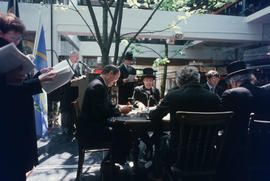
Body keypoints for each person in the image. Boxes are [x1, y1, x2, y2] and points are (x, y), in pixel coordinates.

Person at [0, 13, 56, 181]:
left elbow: (17, 84)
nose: (16, 43)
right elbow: (6, 92)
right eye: (12, 37)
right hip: (6, 133)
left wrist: (37, 76)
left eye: (18, 39)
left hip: (17, 128)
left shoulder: (11, 51)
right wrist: (36, 83)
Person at [149, 66, 220, 180]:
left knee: (159, 138)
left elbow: (154, 116)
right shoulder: (213, 97)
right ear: (198, 79)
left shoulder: (174, 95)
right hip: (206, 152)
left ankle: (158, 175)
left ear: (180, 82)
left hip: (178, 151)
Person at [217, 61, 270, 181]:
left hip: (236, 152)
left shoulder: (231, 94)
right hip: (263, 147)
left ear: (233, 82)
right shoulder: (265, 93)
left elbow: (221, 122)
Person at [78, 64, 133, 164]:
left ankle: (112, 160)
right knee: (126, 132)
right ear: (110, 74)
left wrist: (118, 106)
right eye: (115, 79)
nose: (115, 82)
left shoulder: (99, 84)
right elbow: (99, 113)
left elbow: (106, 105)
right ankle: (111, 162)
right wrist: (120, 111)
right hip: (92, 130)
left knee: (123, 127)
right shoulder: (98, 86)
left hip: (92, 125)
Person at [60, 51, 81, 135]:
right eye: (75, 57)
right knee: (66, 111)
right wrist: (74, 80)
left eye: (77, 57)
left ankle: (71, 127)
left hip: (74, 93)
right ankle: (65, 128)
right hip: (65, 92)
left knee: (72, 110)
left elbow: (78, 76)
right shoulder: (64, 65)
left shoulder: (77, 66)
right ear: (70, 56)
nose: (77, 59)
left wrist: (80, 78)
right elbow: (62, 80)